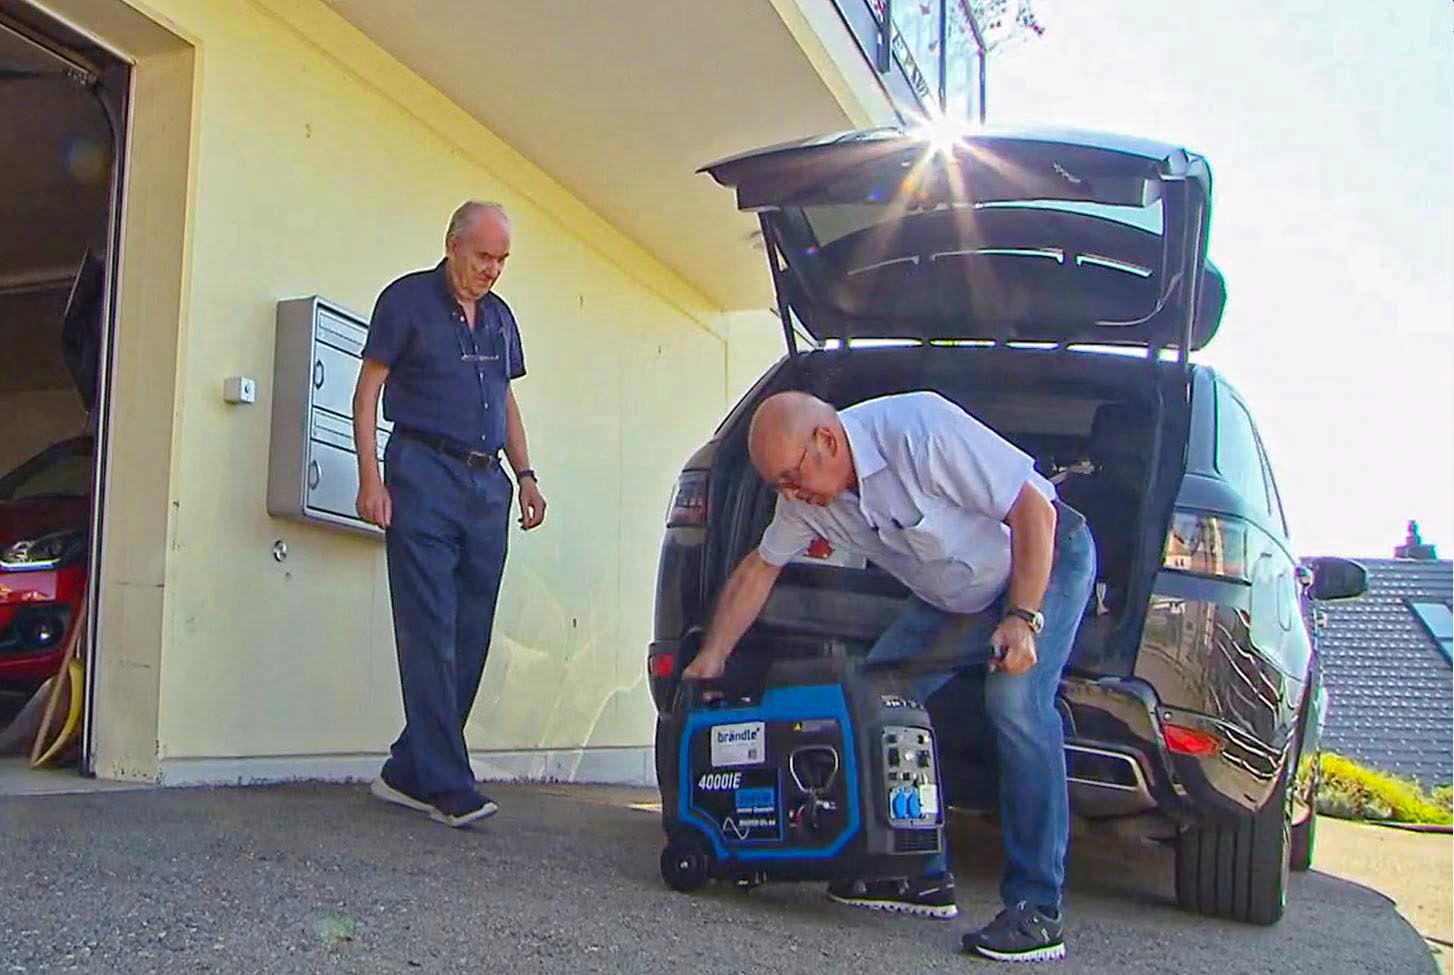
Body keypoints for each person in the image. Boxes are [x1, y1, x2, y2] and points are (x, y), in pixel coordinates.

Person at [682, 390, 1095, 963]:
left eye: (793, 477)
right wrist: (712, 655)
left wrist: (1022, 621)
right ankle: (916, 876)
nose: (791, 494)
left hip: (1043, 557)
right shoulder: (807, 497)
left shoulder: (917, 431)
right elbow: (760, 567)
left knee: (1015, 705)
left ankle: (1036, 909)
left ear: (826, 440)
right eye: (779, 485)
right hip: (956, 595)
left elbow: (1034, 511)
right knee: (874, 703)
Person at [352, 200, 546, 827]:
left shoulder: (499, 319)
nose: (492, 269)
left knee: (470, 632)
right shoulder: (406, 300)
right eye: (484, 256)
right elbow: (366, 393)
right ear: (453, 244)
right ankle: (448, 782)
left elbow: (506, 400)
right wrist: (370, 481)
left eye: (502, 259)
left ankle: (410, 769)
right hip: (421, 472)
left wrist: (527, 475)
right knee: (429, 624)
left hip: (487, 486)